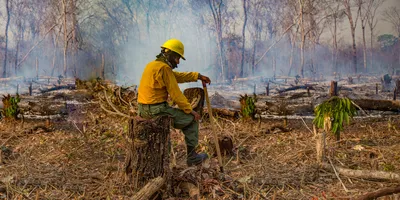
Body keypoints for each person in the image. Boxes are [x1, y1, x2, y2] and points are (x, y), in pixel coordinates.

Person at [137, 38, 211, 166]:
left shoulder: (153, 65)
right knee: (192, 120)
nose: (177, 62)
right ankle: (192, 157)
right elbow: (176, 95)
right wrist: (190, 111)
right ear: (169, 54)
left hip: (143, 108)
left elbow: (177, 77)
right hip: (156, 110)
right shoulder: (164, 68)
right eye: (177, 58)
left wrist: (197, 76)